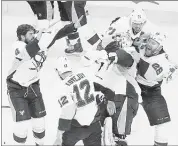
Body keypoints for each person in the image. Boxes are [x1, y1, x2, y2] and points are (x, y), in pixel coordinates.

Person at [6, 17, 84, 145]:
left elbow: (56, 35)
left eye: (33, 33)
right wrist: (38, 39)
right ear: (21, 36)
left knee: (40, 124)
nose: (33, 36)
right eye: (30, 34)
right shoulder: (18, 46)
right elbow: (26, 53)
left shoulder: (38, 43)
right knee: (22, 127)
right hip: (16, 88)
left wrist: (72, 27)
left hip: (33, 85)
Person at [53, 56, 116, 146]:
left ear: (57, 71)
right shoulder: (84, 74)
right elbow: (104, 86)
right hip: (94, 125)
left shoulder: (62, 87)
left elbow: (68, 111)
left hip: (76, 128)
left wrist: (59, 136)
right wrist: (110, 99)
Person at [133, 31, 177, 146]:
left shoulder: (162, 62)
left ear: (159, 48)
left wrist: (135, 53)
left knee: (163, 123)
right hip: (133, 85)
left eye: (153, 43)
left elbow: (147, 73)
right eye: (150, 41)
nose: (149, 44)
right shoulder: (144, 46)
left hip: (151, 92)